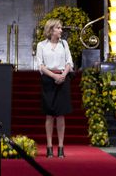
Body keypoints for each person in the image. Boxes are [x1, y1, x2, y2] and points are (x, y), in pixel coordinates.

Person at [36, 18, 74, 158]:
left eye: (61, 28)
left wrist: (63, 75)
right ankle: (49, 147)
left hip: (63, 80)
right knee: (49, 114)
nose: (61, 30)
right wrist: (54, 76)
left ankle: (61, 147)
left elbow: (69, 62)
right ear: (51, 30)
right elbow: (40, 65)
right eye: (58, 28)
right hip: (48, 80)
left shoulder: (64, 44)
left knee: (61, 114)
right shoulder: (41, 45)